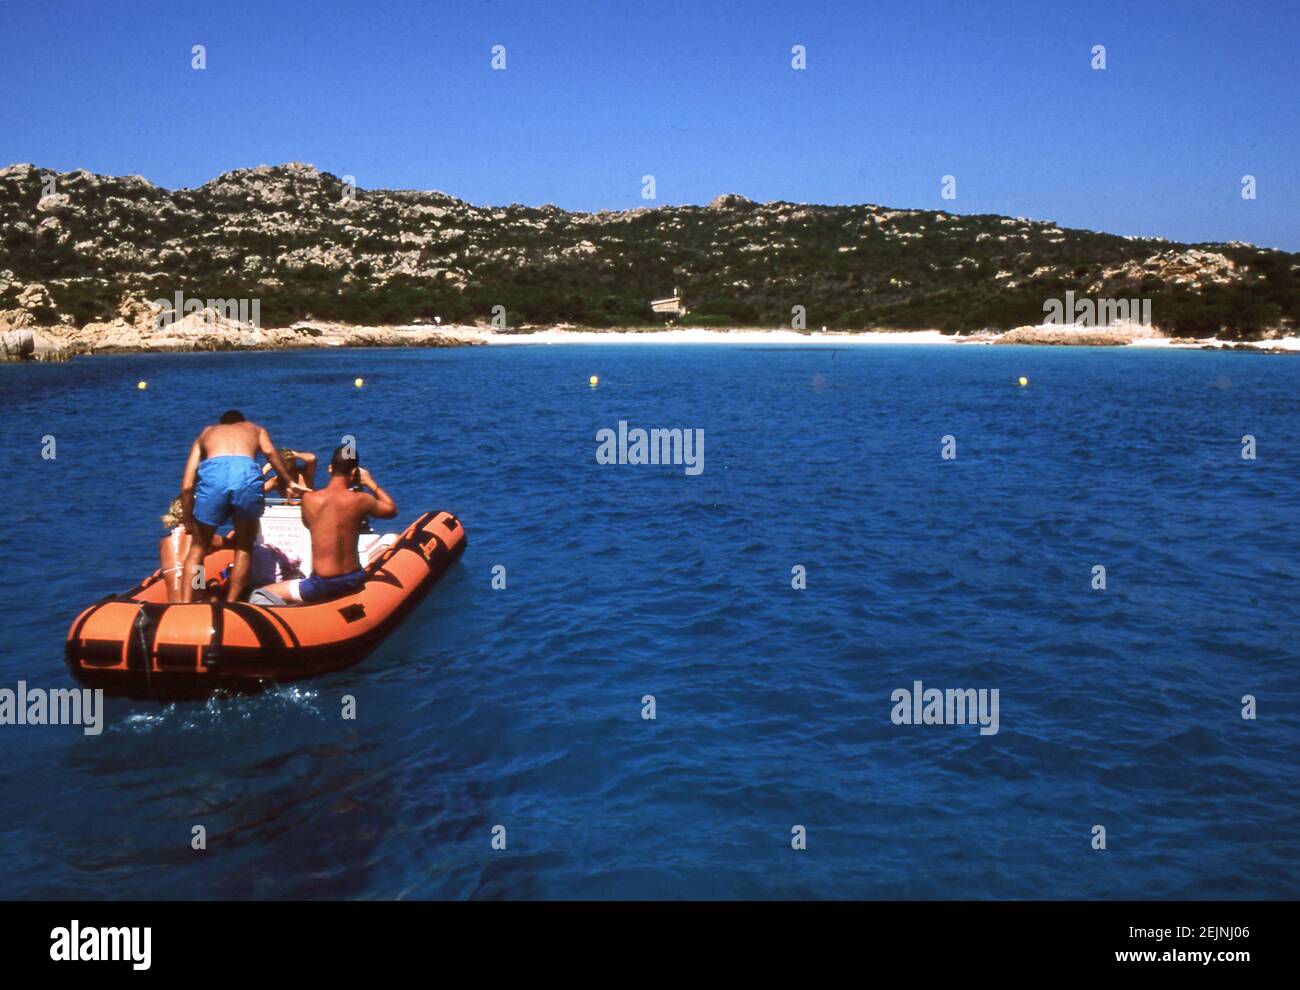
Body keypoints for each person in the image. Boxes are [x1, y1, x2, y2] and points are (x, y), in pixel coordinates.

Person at [179, 410, 305, 603]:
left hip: (214, 477)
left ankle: (188, 601)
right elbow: (271, 453)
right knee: (244, 547)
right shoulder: (255, 429)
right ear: (242, 422)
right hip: (246, 476)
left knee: (198, 548)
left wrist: (187, 517)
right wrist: (288, 481)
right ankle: (231, 604)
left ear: (221, 424)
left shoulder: (206, 433)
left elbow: (188, 486)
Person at [255, 445, 397, 605]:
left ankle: (295, 621)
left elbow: (307, 524)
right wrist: (370, 482)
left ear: (330, 469)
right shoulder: (362, 500)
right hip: (354, 579)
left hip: (322, 585)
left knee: (259, 594)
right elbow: (391, 510)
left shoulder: (309, 500)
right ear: (354, 473)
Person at [159, 496, 226, 602]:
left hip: (173, 604)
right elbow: (235, 544)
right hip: (197, 599)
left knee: (197, 573)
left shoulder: (164, 542)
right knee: (214, 584)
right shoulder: (201, 537)